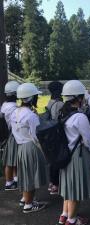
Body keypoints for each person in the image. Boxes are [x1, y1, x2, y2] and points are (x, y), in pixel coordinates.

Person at [58, 80, 90, 225]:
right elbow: (89, 141)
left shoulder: (62, 113)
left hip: (65, 155)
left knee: (69, 187)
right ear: (79, 98)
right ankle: (72, 220)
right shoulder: (80, 117)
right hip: (77, 156)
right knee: (75, 190)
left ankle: (65, 215)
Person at [10, 83, 48, 213]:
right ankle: (29, 204)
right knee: (31, 175)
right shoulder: (31, 115)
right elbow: (36, 135)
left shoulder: (15, 112)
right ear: (31, 98)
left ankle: (26, 198)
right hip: (31, 146)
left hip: (21, 146)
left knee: (26, 174)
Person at [1, 81, 20, 191]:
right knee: (11, 160)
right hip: (13, 135)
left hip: (9, 135)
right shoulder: (14, 108)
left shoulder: (4, 105)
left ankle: (14, 180)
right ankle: (9, 182)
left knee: (12, 159)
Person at [46, 81, 64, 195]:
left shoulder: (50, 101)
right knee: (58, 160)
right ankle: (56, 184)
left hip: (50, 134)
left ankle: (52, 183)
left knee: (53, 160)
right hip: (57, 134)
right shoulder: (59, 103)